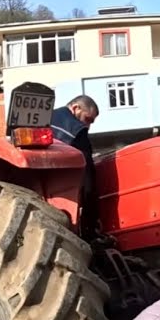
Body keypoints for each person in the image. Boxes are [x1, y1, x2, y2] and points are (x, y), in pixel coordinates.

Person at [49, 95, 100, 237]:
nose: (88, 126)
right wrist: (92, 218)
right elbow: (88, 178)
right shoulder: (77, 131)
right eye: (88, 119)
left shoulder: (46, 118)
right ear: (76, 108)